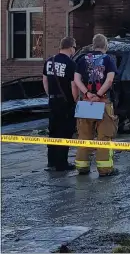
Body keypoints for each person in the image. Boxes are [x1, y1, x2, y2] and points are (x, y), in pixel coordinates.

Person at [74, 34, 119, 177]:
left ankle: (82, 167)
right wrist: (98, 94)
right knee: (104, 137)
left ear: (93, 45)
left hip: (86, 102)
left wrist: (87, 93)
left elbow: (76, 80)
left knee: (84, 136)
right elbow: (110, 80)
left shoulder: (82, 59)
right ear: (105, 46)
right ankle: (105, 170)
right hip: (102, 102)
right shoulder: (108, 59)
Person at [42, 37, 78, 171]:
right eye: (74, 48)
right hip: (66, 103)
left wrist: (50, 95)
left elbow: (45, 81)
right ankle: (61, 163)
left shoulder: (49, 61)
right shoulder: (71, 64)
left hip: (52, 101)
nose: (74, 50)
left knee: (53, 131)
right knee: (65, 132)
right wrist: (74, 101)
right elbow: (73, 85)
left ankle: (51, 161)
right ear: (70, 47)